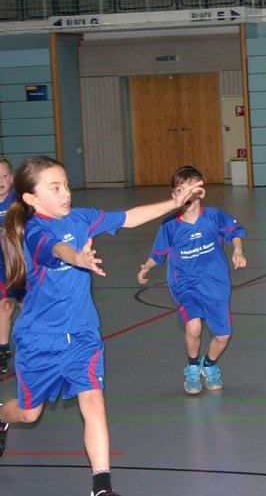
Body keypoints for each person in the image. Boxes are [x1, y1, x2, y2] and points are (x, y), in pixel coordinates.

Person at [0, 155, 203, 496]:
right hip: (40, 340)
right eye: (55, 188)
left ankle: (102, 486)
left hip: (82, 333)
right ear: (32, 199)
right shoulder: (35, 231)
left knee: (93, 402)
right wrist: (78, 258)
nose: (66, 192)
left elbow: (128, 218)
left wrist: (173, 203)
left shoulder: (82, 218)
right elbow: (58, 249)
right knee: (29, 413)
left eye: (65, 184)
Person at [137, 166, 247, 394]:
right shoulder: (170, 225)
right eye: (181, 189)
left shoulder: (214, 217)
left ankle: (209, 364)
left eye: (192, 188)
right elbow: (158, 253)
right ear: (174, 195)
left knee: (223, 335)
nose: (187, 194)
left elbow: (235, 231)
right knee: (194, 326)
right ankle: (192, 365)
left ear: (201, 192)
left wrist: (237, 250)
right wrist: (146, 267)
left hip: (216, 285)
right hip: (185, 284)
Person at [0, 157, 20, 374]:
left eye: (4, 175)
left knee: (27, 303)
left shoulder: (20, 203)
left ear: (12, 178)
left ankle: (34, 344)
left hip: (18, 261)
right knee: (4, 304)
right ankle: (3, 348)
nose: (1, 181)